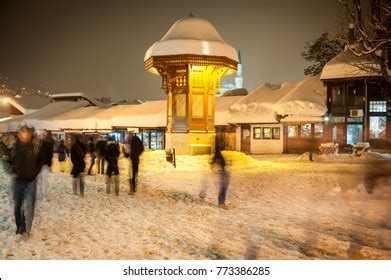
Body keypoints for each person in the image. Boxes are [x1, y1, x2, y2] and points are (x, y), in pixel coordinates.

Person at [10, 124, 43, 236]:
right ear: (19, 135)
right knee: (17, 205)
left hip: (31, 180)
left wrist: (35, 172)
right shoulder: (13, 147)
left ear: (29, 135)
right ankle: (19, 226)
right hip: (18, 180)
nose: (24, 137)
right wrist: (13, 170)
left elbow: (40, 160)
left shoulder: (35, 147)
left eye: (26, 134)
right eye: (22, 134)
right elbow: (7, 161)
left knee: (29, 205)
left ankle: (27, 229)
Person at [36, 130, 54, 202]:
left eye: (42, 135)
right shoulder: (34, 145)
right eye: (39, 135)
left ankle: (44, 195)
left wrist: (49, 165)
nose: (41, 136)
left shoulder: (48, 145)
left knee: (44, 181)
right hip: (35, 166)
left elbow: (50, 155)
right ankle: (36, 194)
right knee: (36, 181)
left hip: (44, 166)